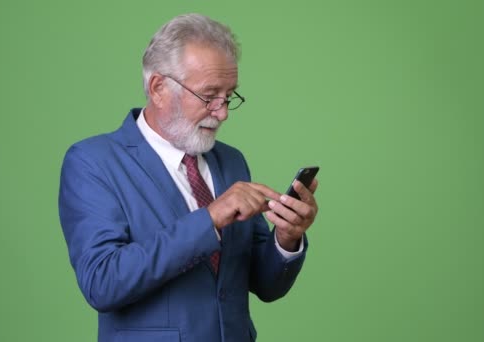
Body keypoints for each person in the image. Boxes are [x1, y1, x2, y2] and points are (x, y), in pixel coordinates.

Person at [59, 13, 319, 342]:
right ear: (158, 88)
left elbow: (265, 286)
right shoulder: (93, 162)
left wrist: (286, 238)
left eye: (229, 97)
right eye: (209, 96)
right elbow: (102, 283)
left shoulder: (231, 160)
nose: (222, 112)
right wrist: (209, 219)